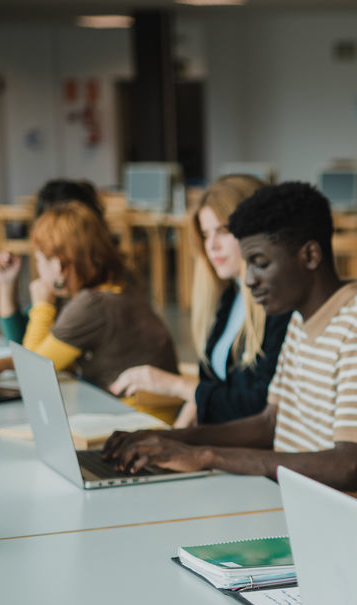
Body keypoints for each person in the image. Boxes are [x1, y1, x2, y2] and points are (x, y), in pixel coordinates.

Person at [102, 181, 357, 522]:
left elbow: (346, 466)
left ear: (309, 255)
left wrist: (206, 455)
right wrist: (169, 439)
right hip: (294, 506)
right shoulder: (300, 321)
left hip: (346, 525)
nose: (249, 280)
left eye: (260, 263)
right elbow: (269, 422)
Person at [108, 175, 291, 428]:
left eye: (223, 231)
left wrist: (173, 385)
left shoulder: (281, 309)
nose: (212, 246)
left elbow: (257, 407)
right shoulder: (231, 295)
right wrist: (174, 437)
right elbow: (207, 391)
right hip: (215, 445)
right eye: (206, 235)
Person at [0, 201, 179, 422]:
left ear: (59, 266)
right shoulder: (115, 289)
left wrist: (43, 304)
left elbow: (32, 374)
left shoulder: (90, 305)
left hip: (136, 422)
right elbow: (58, 357)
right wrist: (6, 363)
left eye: (40, 259)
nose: (38, 269)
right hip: (145, 415)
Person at [0, 179, 105, 345]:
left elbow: (31, 359)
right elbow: (22, 342)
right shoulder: (61, 283)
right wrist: (7, 285)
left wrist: (42, 306)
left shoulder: (95, 296)